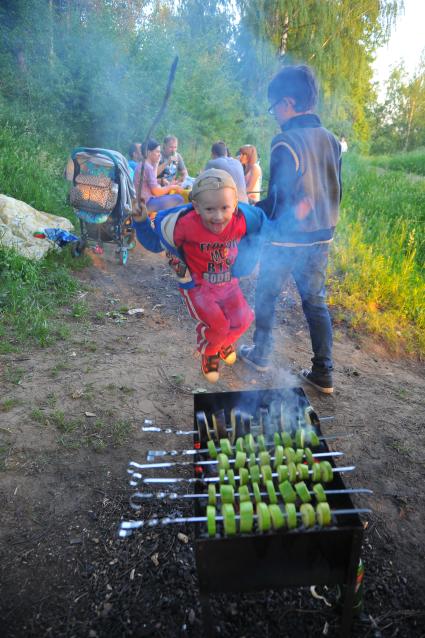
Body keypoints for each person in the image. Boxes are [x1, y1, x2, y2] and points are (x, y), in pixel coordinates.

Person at [238, 64, 342, 394]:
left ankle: (262, 354)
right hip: (322, 235)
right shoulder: (331, 141)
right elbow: (335, 188)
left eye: (274, 108)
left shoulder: (285, 142)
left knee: (266, 293)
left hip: (287, 239)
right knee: (315, 302)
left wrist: (251, 214)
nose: (274, 115)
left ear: (288, 103)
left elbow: (281, 199)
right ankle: (323, 372)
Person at [131, 169, 266, 383]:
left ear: (236, 205)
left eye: (225, 208)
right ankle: (210, 354)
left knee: (244, 319)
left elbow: (263, 227)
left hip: (229, 285)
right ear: (196, 207)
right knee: (219, 326)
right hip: (199, 290)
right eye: (210, 209)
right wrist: (140, 221)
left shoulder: (241, 221)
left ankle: (220, 344)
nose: (218, 216)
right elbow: (155, 243)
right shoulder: (185, 225)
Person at [134, 139, 185, 213]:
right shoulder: (147, 167)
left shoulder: (143, 165)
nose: (159, 154)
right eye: (157, 152)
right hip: (146, 203)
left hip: (141, 201)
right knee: (179, 198)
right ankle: (165, 220)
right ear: (149, 153)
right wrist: (172, 187)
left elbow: (153, 179)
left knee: (169, 196)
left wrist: (157, 163)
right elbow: (157, 192)